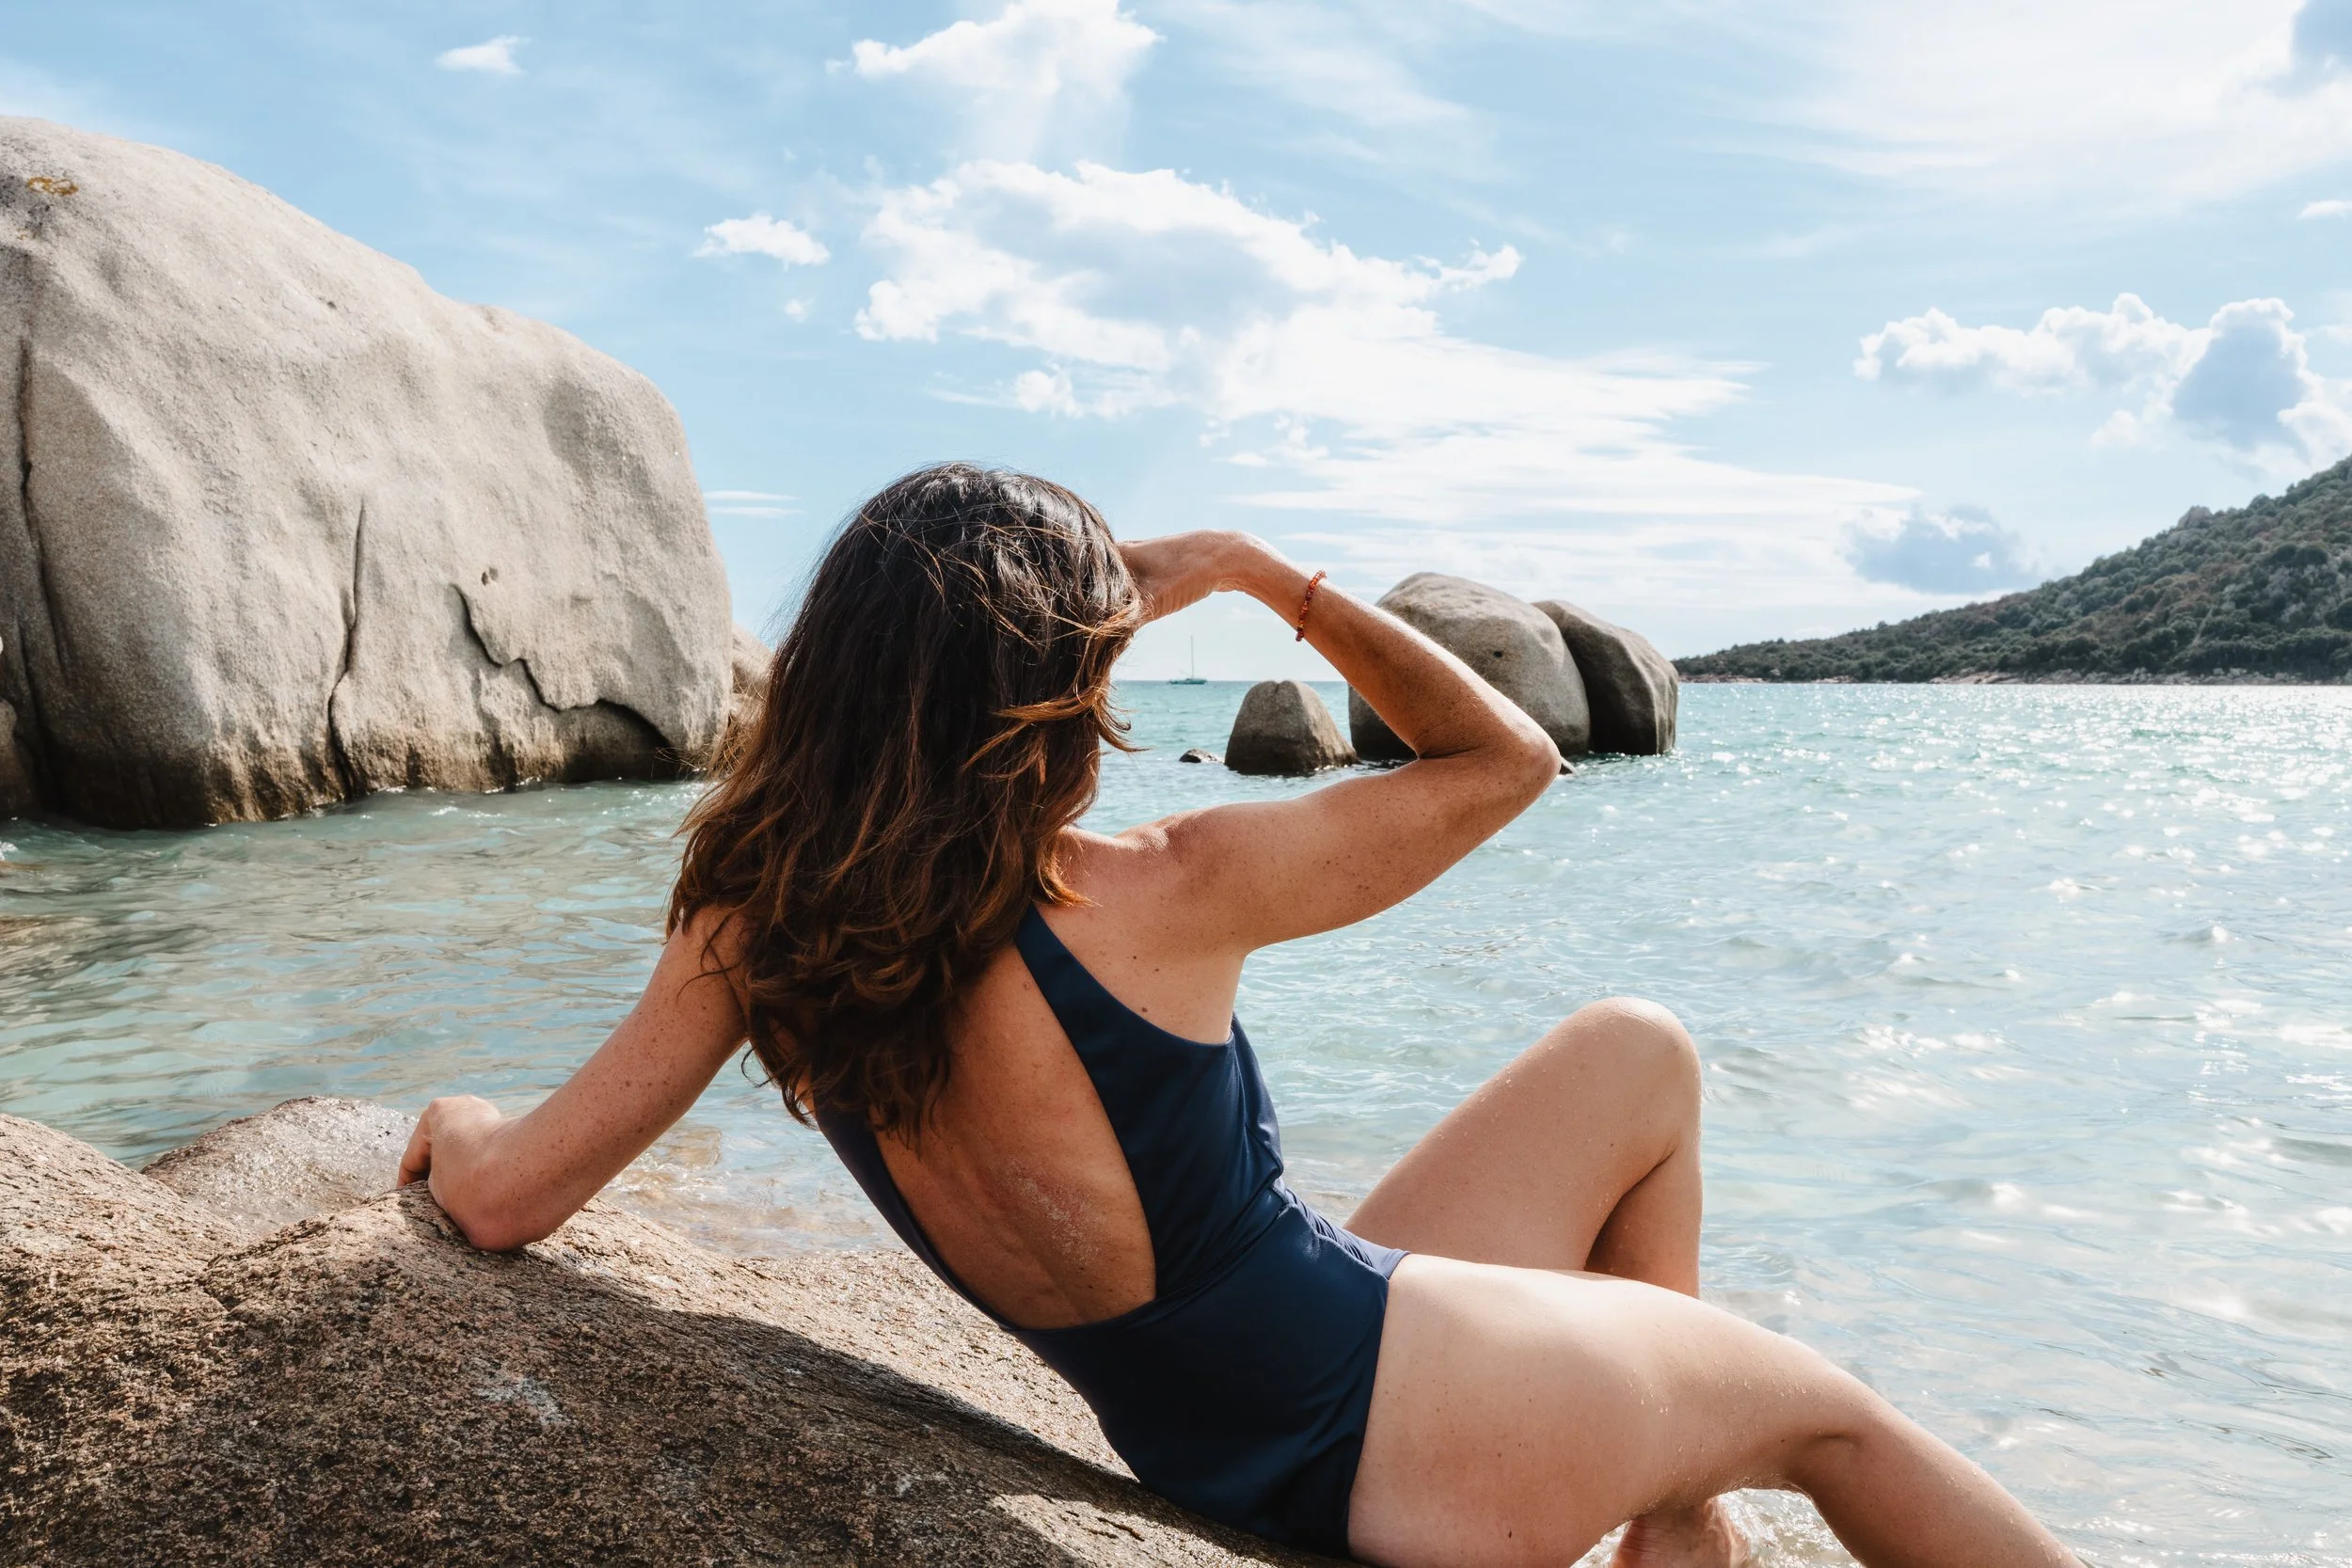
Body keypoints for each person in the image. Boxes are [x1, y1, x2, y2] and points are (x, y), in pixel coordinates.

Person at [398, 464, 2076, 1568]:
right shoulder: (1153, 882)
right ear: (1053, 685)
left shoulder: (756, 920)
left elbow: (500, 1193)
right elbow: (1509, 759)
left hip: (1218, 1435)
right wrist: (1268, 575)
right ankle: (1679, 1499)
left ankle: (1673, 1515)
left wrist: (452, 1124)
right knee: (1834, 1416)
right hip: (1402, 1441)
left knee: (1638, 1052)